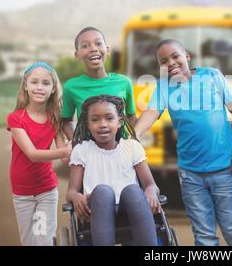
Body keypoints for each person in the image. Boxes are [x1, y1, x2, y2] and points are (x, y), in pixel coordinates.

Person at [134, 39, 232, 246]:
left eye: (175, 56)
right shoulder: (164, 87)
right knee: (204, 235)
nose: (170, 63)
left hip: (225, 169)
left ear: (187, 56)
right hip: (191, 176)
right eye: (163, 61)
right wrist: (134, 134)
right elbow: (152, 112)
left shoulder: (212, 76)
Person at [66, 94, 161, 246]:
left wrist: (150, 191)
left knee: (133, 190)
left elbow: (150, 184)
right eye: (95, 119)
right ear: (87, 124)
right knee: (103, 191)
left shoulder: (131, 146)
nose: (102, 124)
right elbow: (71, 191)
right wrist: (76, 197)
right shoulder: (82, 150)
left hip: (130, 209)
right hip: (96, 210)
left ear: (120, 122)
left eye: (109, 118)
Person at [7, 61, 72, 246]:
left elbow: (64, 157)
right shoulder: (16, 118)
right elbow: (32, 154)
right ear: (25, 85)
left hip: (46, 189)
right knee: (29, 242)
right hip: (22, 192)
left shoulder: (54, 119)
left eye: (45, 83)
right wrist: (64, 149)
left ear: (53, 89)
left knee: (44, 239)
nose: (39, 87)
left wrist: (74, 145)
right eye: (34, 82)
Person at [62, 26, 137, 141]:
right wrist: (76, 143)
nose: (93, 49)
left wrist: (133, 140)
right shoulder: (71, 87)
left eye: (98, 43)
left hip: (120, 152)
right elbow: (66, 120)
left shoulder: (124, 82)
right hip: (88, 155)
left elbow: (131, 116)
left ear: (107, 49)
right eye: (85, 46)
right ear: (77, 55)